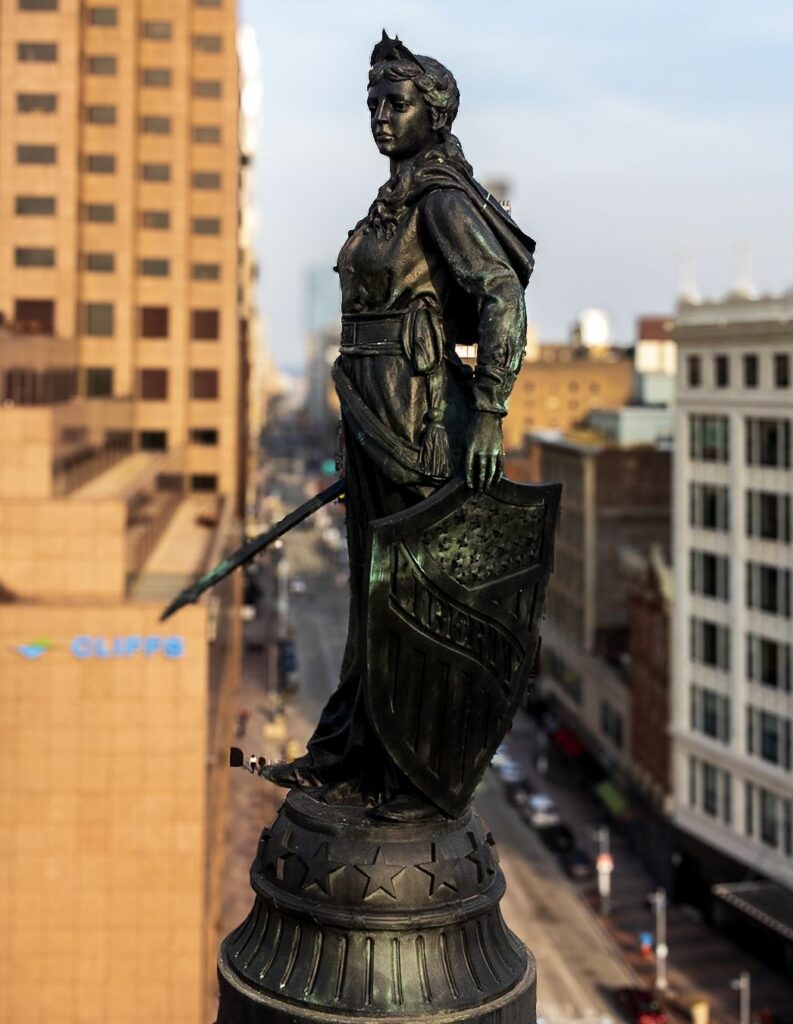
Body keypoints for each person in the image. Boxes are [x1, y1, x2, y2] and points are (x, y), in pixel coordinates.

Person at [263, 33, 535, 819]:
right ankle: (347, 757)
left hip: (420, 418)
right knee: (370, 597)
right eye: (373, 104)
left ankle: (406, 773)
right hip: (377, 414)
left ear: (436, 111)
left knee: (405, 600)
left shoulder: (440, 200)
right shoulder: (391, 203)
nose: (381, 116)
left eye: (397, 102)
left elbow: (500, 298)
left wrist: (486, 411)